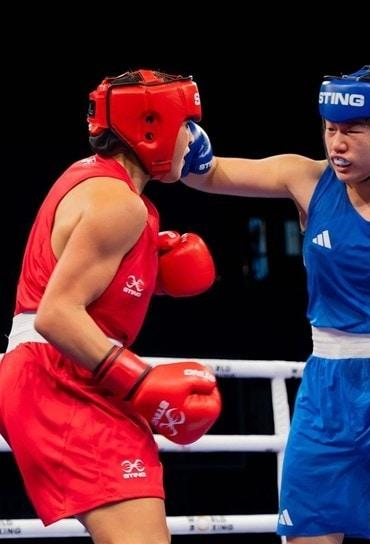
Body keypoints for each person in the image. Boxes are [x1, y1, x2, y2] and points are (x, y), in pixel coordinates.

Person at [179, 65, 370, 543]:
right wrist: (181, 140)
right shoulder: (306, 178)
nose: (337, 144)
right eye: (330, 129)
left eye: (352, 130)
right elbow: (210, 174)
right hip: (327, 384)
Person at [0, 69, 222, 543]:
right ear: (151, 126)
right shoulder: (119, 205)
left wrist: (154, 276)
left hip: (65, 371)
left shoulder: (89, 179)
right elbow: (56, 314)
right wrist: (139, 379)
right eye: (187, 124)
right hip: (61, 374)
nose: (195, 139)